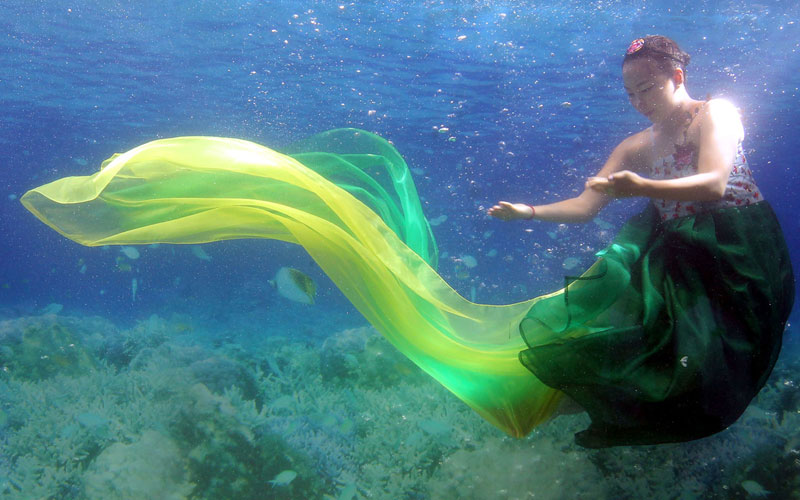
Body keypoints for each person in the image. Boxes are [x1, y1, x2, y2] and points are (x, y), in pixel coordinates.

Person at [488, 35, 795, 448]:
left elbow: (716, 183)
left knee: (717, 352)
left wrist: (643, 186)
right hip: (676, 256)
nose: (638, 101)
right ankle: (560, 405)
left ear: (678, 76)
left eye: (647, 88)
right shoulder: (635, 146)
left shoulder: (714, 113)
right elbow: (584, 207)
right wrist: (528, 212)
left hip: (737, 249)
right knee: (642, 346)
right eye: (630, 93)